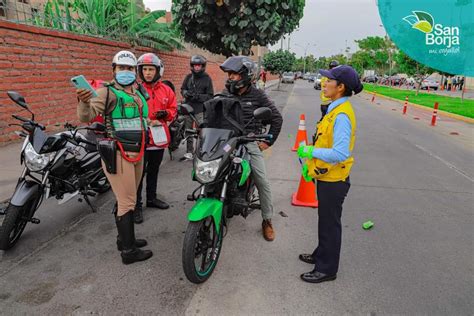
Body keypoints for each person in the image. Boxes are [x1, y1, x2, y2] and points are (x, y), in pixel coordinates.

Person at [76, 50, 153, 264]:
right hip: (119, 153)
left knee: (129, 198)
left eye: (130, 68)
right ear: (114, 70)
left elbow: (143, 118)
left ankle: (125, 239)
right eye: (122, 68)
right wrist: (83, 101)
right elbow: (86, 116)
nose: (126, 72)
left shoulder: (137, 92)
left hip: (138, 150)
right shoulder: (105, 92)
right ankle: (128, 252)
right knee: (127, 201)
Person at [297, 65, 363, 283]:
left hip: (334, 180)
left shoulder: (342, 115)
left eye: (329, 81)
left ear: (341, 87)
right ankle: (320, 255)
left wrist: (309, 150)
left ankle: (326, 269)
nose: (324, 84)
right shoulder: (334, 108)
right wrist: (311, 164)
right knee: (324, 221)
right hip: (327, 176)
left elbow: (340, 153)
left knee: (329, 224)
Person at [219, 56, 283, 241]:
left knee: (262, 181)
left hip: (249, 141)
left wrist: (266, 143)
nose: (230, 77)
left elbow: (277, 118)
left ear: (246, 75)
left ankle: (267, 220)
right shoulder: (226, 93)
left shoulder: (258, 95)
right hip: (227, 140)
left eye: (234, 74)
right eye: (228, 74)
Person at [133, 53, 177, 224]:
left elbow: (173, 109)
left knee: (154, 170)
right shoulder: (134, 90)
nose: (148, 73)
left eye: (151, 69)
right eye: (145, 69)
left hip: (158, 137)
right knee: (138, 173)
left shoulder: (166, 90)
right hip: (141, 137)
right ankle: (136, 205)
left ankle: (151, 198)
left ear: (158, 70)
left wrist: (166, 114)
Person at [180, 55, 214, 159]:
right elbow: (182, 89)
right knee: (188, 130)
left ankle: (201, 149)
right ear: (192, 66)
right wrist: (186, 93)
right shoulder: (188, 77)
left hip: (200, 109)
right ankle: (189, 151)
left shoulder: (207, 78)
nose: (197, 68)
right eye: (195, 66)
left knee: (201, 130)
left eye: (199, 66)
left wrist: (198, 96)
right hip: (188, 108)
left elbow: (210, 95)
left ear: (203, 66)